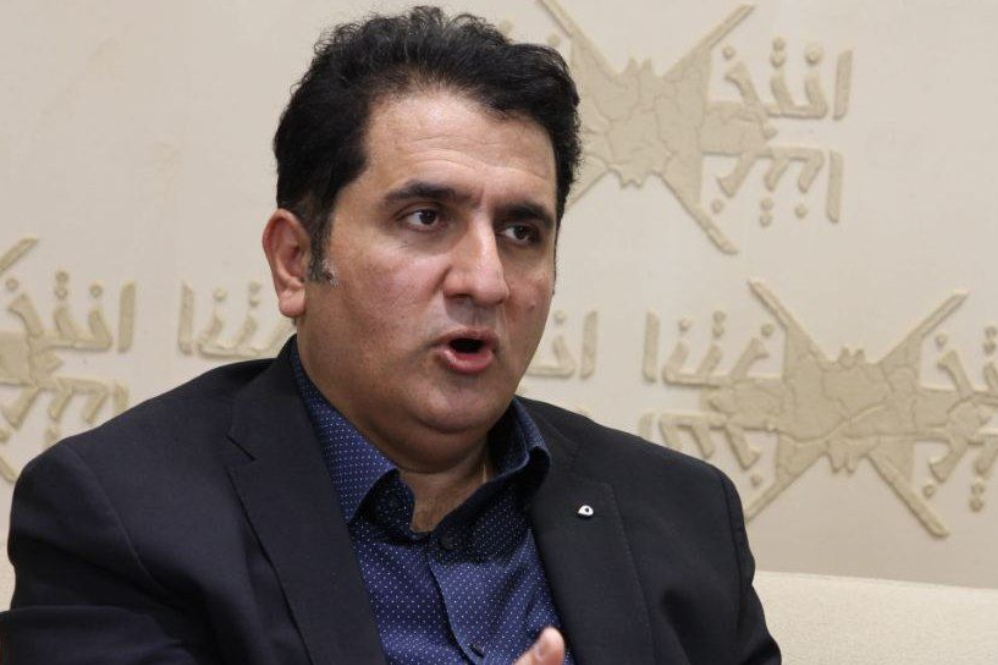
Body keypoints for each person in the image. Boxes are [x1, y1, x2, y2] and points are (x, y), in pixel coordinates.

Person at [0, 7, 780, 664]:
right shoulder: (124, 517)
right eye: (425, 217)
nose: (485, 280)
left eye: (522, 231)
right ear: (297, 261)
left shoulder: (683, 514)